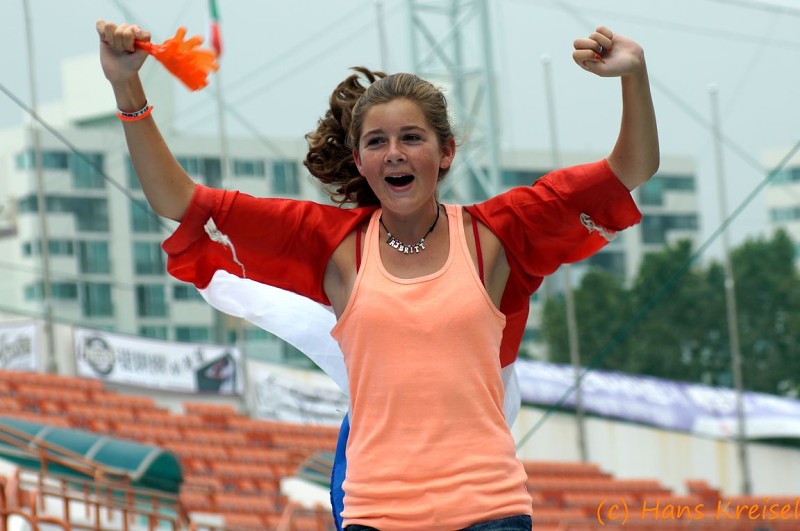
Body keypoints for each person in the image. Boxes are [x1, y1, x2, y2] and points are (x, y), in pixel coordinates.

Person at [97, 19, 658, 531]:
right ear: (360, 160)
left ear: (445, 152)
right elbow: (179, 200)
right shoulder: (331, 243)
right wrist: (128, 89)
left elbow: (631, 168)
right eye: (376, 142)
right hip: (375, 514)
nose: (394, 153)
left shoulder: (498, 234)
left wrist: (633, 75)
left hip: (490, 512)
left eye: (412, 137)